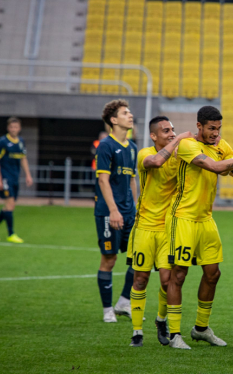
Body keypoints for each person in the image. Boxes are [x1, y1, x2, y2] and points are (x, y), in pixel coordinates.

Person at [164, 106, 233, 350]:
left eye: (218, 128)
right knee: (178, 274)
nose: (215, 133)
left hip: (205, 219)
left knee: (213, 274)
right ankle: (174, 334)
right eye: (211, 128)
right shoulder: (188, 145)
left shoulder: (221, 146)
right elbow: (215, 167)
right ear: (199, 126)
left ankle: (201, 329)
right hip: (182, 217)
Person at [127, 116, 193, 347]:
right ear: (153, 136)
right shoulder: (144, 154)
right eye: (166, 131)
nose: (172, 133)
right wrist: (178, 140)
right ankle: (137, 332)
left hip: (168, 229)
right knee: (140, 279)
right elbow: (155, 162)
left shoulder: (179, 156)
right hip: (144, 227)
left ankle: (161, 320)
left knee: (167, 281)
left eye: (173, 130)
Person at [94, 100, 138, 323]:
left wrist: (136, 208)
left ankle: (123, 302)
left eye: (129, 112)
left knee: (138, 259)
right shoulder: (105, 146)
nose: (130, 115)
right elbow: (103, 180)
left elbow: (131, 180)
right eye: (124, 113)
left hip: (129, 212)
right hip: (108, 212)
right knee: (109, 260)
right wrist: (113, 210)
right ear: (113, 120)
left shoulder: (132, 148)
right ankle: (107, 309)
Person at [0, 117, 33, 244]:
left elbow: (23, 158)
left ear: (19, 128)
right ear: (8, 128)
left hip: (15, 177)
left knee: (10, 206)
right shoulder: (2, 141)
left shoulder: (21, 142)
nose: (13, 129)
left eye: (16, 127)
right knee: (10, 205)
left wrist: (28, 175)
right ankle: (11, 234)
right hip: (5, 177)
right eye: (11, 127)